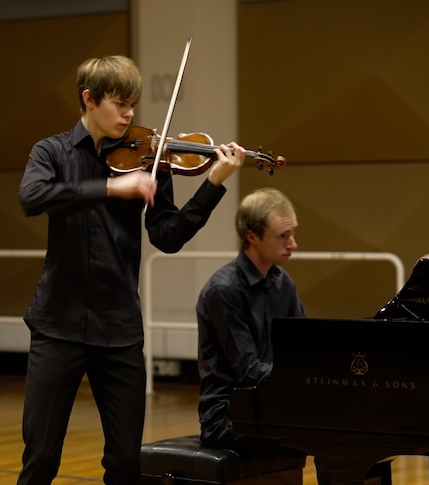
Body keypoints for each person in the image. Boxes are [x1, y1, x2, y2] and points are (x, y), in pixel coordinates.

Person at [17, 54, 246, 485]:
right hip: (58, 326)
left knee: (125, 464)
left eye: (133, 105)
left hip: (119, 329)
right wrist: (108, 186)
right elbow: (32, 197)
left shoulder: (149, 157)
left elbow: (168, 236)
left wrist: (213, 183)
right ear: (89, 99)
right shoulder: (51, 152)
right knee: (42, 457)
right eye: (120, 104)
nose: (129, 115)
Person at [195, 187, 333, 484]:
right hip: (228, 415)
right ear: (252, 236)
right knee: (328, 432)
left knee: (349, 426)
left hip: (272, 403)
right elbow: (247, 370)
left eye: (293, 233)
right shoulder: (224, 290)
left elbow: (306, 348)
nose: (293, 244)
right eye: (283, 236)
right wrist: (301, 388)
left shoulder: (283, 283)